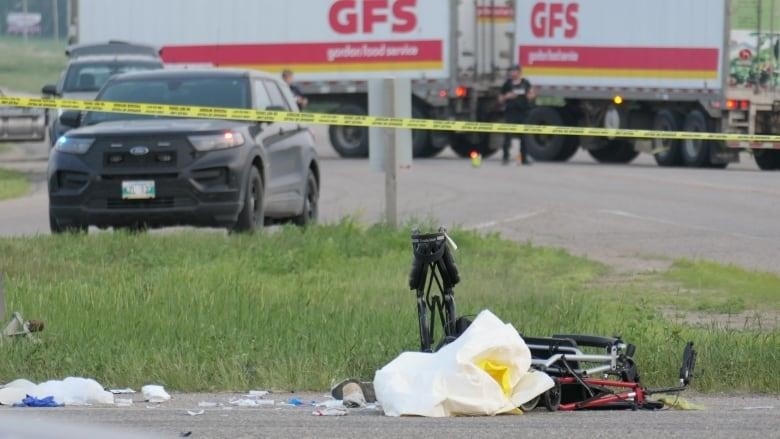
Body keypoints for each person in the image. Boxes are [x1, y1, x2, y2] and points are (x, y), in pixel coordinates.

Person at [498, 64, 535, 165]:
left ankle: (524, 158)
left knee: (524, 137)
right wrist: (507, 96)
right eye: (511, 71)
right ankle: (505, 157)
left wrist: (529, 96)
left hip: (523, 113)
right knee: (507, 136)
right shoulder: (507, 84)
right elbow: (500, 99)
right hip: (511, 113)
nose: (512, 73)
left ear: (519, 72)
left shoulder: (525, 83)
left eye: (514, 71)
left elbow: (532, 94)